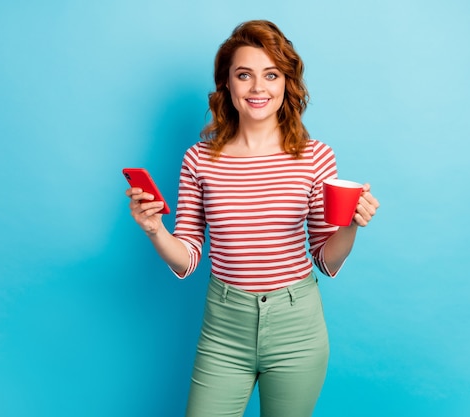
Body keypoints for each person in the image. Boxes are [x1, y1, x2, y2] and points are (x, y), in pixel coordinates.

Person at [126, 19, 380, 417]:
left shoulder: (316, 156)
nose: (258, 88)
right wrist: (155, 229)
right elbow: (188, 258)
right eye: (244, 75)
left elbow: (326, 260)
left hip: (297, 326)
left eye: (271, 75)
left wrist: (350, 224)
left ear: (285, 84)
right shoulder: (199, 160)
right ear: (227, 84)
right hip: (224, 328)